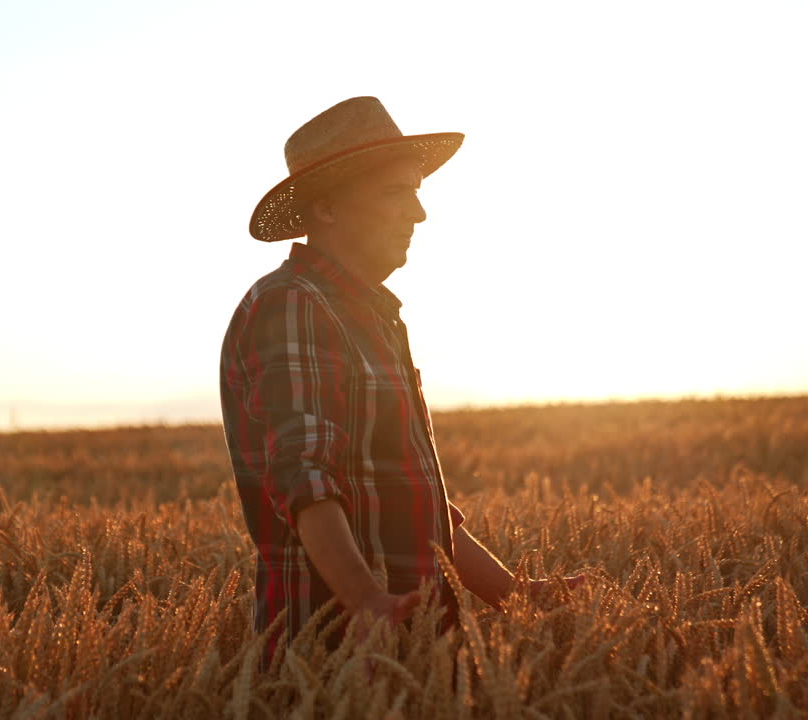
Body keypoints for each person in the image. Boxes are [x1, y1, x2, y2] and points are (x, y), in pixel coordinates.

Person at [219, 97, 582, 669]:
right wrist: (365, 603)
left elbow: (417, 501)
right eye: (396, 192)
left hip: (410, 649)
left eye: (417, 191)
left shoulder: (373, 316)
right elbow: (307, 478)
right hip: (337, 655)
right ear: (329, 208)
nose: (419, 213)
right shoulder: (291, 306)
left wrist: (517, 596)